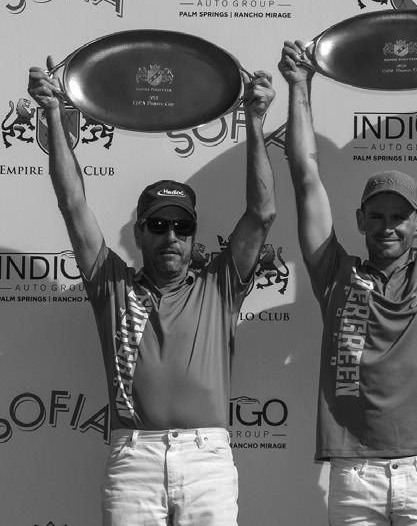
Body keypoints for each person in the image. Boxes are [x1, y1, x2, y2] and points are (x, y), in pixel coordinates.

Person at [27, 58, 278, 525]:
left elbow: (262, 214)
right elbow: (73, 203)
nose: (171, 237)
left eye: (182, 227)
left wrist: (256, 120)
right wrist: (53, 114)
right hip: (134, 460)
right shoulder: (112, 283)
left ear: (194, 235)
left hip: (206, 461)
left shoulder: (220, 284)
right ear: (139, 233)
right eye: (158, 225)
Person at [278, 36, 417, 525]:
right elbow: (305, 178)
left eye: (400, 217)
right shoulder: (335, 272)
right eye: (378, 216)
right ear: (360, 221)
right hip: (354, 474)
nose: (388, 227)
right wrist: (299, 86)